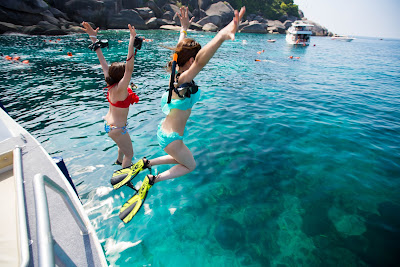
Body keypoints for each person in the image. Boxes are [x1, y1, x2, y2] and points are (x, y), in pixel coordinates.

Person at [115, 6, 246, 223]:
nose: (196, 63)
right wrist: (221, 35)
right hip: (172, 139)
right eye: (193, 59)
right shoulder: (184, 79)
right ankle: (152, 179)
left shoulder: (176, 72)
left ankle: (147, 163)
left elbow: (178, 49)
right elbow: (202, 60)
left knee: (179, 157)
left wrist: (183, 29)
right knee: (189, 165)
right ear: (189, 61)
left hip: (165, 134)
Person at [81, 22, 139, 169]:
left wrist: (93, 37)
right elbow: (129, 69)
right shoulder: (121, 88)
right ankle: (124, 178)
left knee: (122, 145)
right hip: (118, 129)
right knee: (130, 155)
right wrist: (131, 41)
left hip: (109, 126)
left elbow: (101, 59)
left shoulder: (110, 83)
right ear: (122, 77)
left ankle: (118, 161)